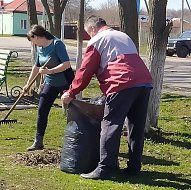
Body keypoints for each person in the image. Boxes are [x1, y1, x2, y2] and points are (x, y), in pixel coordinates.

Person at [61, 15, 152, 180]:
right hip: (144, 82)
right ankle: (134, 167)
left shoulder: (98, 39)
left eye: (89, 33)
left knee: (110, 125)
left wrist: (71, 92)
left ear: (93, 28)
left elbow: (85, 70)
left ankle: (105, 168)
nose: (90, 36)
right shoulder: (123, 36)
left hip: (122, 82)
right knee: (136, 126)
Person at [24, 24, 73, 151]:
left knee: (72, 113)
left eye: (33, 40)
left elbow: (66, 64)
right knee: (42, 110)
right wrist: (28, 84)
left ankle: (74, 142)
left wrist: (49, 71)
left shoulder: (57, 44)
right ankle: (38, 142)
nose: (33, 44)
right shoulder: (40, 48)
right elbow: (36, 67)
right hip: (50, 83)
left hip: (65, 83)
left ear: (38, 36)